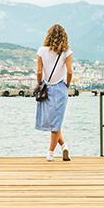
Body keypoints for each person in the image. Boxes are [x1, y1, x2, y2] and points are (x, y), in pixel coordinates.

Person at [35, 23, 73, 161]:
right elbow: (69, 72)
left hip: (46, 87)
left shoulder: (41, 51)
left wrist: (40, 84)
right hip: (60, 88)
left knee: (53, 122)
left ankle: (50, 152)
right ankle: (63, 146)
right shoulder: (66, 52)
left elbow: (39, 72)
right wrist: (66, 85)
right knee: (56, 121)